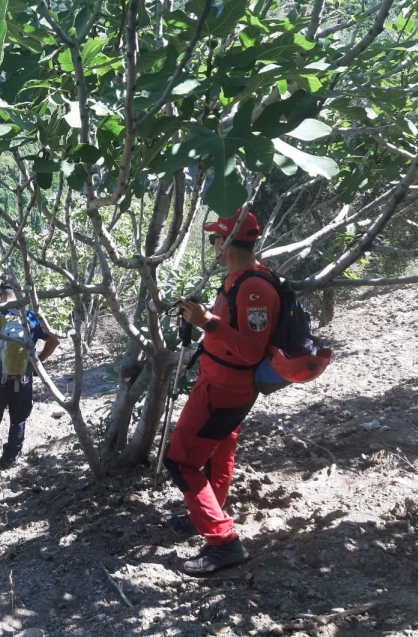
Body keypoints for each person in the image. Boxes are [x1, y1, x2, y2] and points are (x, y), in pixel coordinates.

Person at [163, 208, 280, 575]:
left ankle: (223, 542)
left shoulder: (255, 287)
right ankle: (207, 516)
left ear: (227, 242)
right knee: (218, 453)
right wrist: (200, 319)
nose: (213, 243)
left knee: (179, 461)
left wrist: (207, 322)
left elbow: (251, 350)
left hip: (224, 389)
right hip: (221, 385)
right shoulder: (237, 278)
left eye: (217, 237)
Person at [0, 281, 59, 472]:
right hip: (23, 380)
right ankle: (11, 458)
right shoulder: (30, 317)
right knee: (18, 420)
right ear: (19, 294)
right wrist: (36, 363)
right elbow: (54, 341)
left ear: (1, 296)